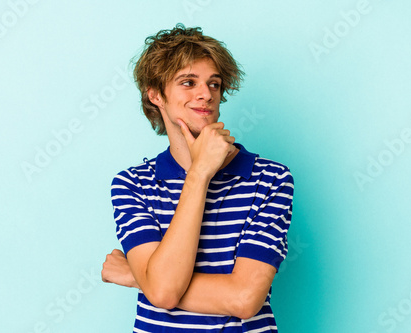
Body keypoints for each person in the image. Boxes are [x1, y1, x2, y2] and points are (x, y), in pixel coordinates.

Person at [101, 23, 294, 332]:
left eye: (214, 84)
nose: (206, 94)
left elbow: (244, 299)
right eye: (188, 82)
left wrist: (138, 277)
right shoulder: (132, 185)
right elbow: (162, 290)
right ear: (155, 95)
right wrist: (200, 173)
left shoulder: (270, 179)